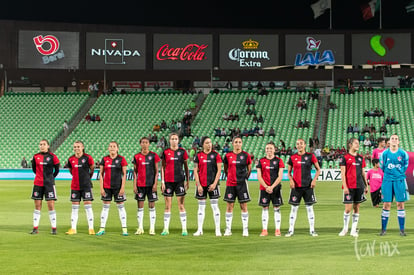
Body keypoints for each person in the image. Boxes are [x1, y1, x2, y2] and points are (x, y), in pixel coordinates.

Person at [286, 138, 321, 237]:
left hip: (308, 186)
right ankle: (290, 230)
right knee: (294, 208)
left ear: (305, 145)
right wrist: (291, 180)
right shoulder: (292, 157)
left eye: (301, 143)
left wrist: (314, 180)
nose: (299, 145)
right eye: (297, 144)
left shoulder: (310, 156)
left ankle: (312, 230)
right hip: (296, 187)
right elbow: (288, 172)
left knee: (310, 208)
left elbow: (318, 170)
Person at [379, 134, 409, 236]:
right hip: (387, 181)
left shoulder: (403, 153)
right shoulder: (384, 154)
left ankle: (402, 230)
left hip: (399, 181)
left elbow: (405, 165)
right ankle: (383, 230)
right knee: (386, 204)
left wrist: (398, 174)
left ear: (399, 142)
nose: (394, 140)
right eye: (393, 139)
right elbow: (382, 167)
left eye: (396, 139)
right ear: (389, 142)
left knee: (400, 204)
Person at [160, 133, 190, 236]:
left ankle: (184, 229)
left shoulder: (182, 152)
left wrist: (187, 180)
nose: (174, 140)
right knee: (167, 206)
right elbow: (162, 167)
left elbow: (186, 167)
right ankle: (166, 229)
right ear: (169, 140)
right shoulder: (165, 152)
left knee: (181, 205)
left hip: (179, 181)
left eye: (175, 139)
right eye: (172, 139)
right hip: (168, 182)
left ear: (178, 140)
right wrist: (162, 181)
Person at [96, 141, 128, 236]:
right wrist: (101, 188)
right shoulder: (104, 159)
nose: (112, 148)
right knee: (105, 207)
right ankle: (102, 228)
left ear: (117, 148)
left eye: (114, 146)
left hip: (118, 187)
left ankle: (124, 228)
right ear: (108, 148)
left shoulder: (121, 159)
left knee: (121, 207)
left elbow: (125, 174)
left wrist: (122, 187)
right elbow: (101, 174)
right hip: (106, 187)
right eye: (110, 146)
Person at [193, 136, 223, 236]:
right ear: (202, 144)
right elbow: (195, 171)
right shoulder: (198, 155)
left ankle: (217, 230)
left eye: (210, 142)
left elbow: (219, 170)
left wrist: (215, 184)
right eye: (207, 143)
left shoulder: (216, 155)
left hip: (213, 185)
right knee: (201, 208)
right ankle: (200, 229)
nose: (209, 144)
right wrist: (198, 185)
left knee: (215, 206)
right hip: (201, 185)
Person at [223, 136, 252, 237]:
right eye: (236, 142)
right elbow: (225, 168)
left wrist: (244, 178)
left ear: (242, 144)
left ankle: (245, 229)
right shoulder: (228, 155)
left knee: (243, 206)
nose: (238, 144)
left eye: (239, 142)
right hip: (230, 184)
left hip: (242, 184)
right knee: (229, 206)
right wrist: (230, 177)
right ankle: (228, 229)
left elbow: (249, 168)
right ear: (232, 143)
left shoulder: (246, 155)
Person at [338, 138, 367, 238]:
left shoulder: (360, 158)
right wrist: (345, 186)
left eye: (358, 143)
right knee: (348, 209)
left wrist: (366, 185)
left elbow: (363, 172)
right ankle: (345, 229)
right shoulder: (344, 157)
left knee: (357, 208)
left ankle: (353, 230)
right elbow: (342, 173)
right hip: (349, 187)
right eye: (356, 143)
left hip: (359, 186)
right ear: (350, 144)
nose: (358, 145)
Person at [30, 139, 60, 234]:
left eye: (44, 144)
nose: (42, 146)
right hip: (38, 183)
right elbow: (34, 169)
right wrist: (40, 176)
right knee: (37, 205)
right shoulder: (36, 157)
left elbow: (57, 169)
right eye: (40, 144)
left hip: (49, 184)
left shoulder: (53, 157)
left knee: (50, 205)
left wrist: (50, 178)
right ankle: (35, 228)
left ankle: (54, 228)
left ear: (48, 146)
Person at [132, 137, 161, 235]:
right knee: (140, 206)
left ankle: (152, 228)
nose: (144, 144)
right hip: (140, 185)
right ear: (140, 144)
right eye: (143, 142)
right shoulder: (136, 156)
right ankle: (140, 227)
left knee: (152, 206)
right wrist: (134, 185)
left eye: (146, 142)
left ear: (149, 144)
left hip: (151, 184)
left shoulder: (153, 155)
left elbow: (157, 171)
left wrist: (155, 183)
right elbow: (135, 172)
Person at [65, 141, 95, 235]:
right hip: (75, 186)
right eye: (75, 147)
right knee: (74, 208)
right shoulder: (71, 159)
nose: (76, 148)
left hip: (86, 185)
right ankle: (73, 228)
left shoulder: (87, 157)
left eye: (78, 146)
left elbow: (92, 168)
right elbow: (71, 170)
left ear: (82, 147)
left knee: (88, 207)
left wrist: (87, 178)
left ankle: (91, 228)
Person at [256, 142, 285, 237]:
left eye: (271, 148)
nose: (269, 150)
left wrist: (272, 187)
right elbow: (259, 176)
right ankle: (264, 230)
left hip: (276, 189)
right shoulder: (261, 161)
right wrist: (266, 187)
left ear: (274, 149)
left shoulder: (279, 161)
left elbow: (280, 176)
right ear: (265, 150)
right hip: (264, 189)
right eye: (267, 148)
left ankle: (277, 230)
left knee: (276, 208)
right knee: (265, 208)